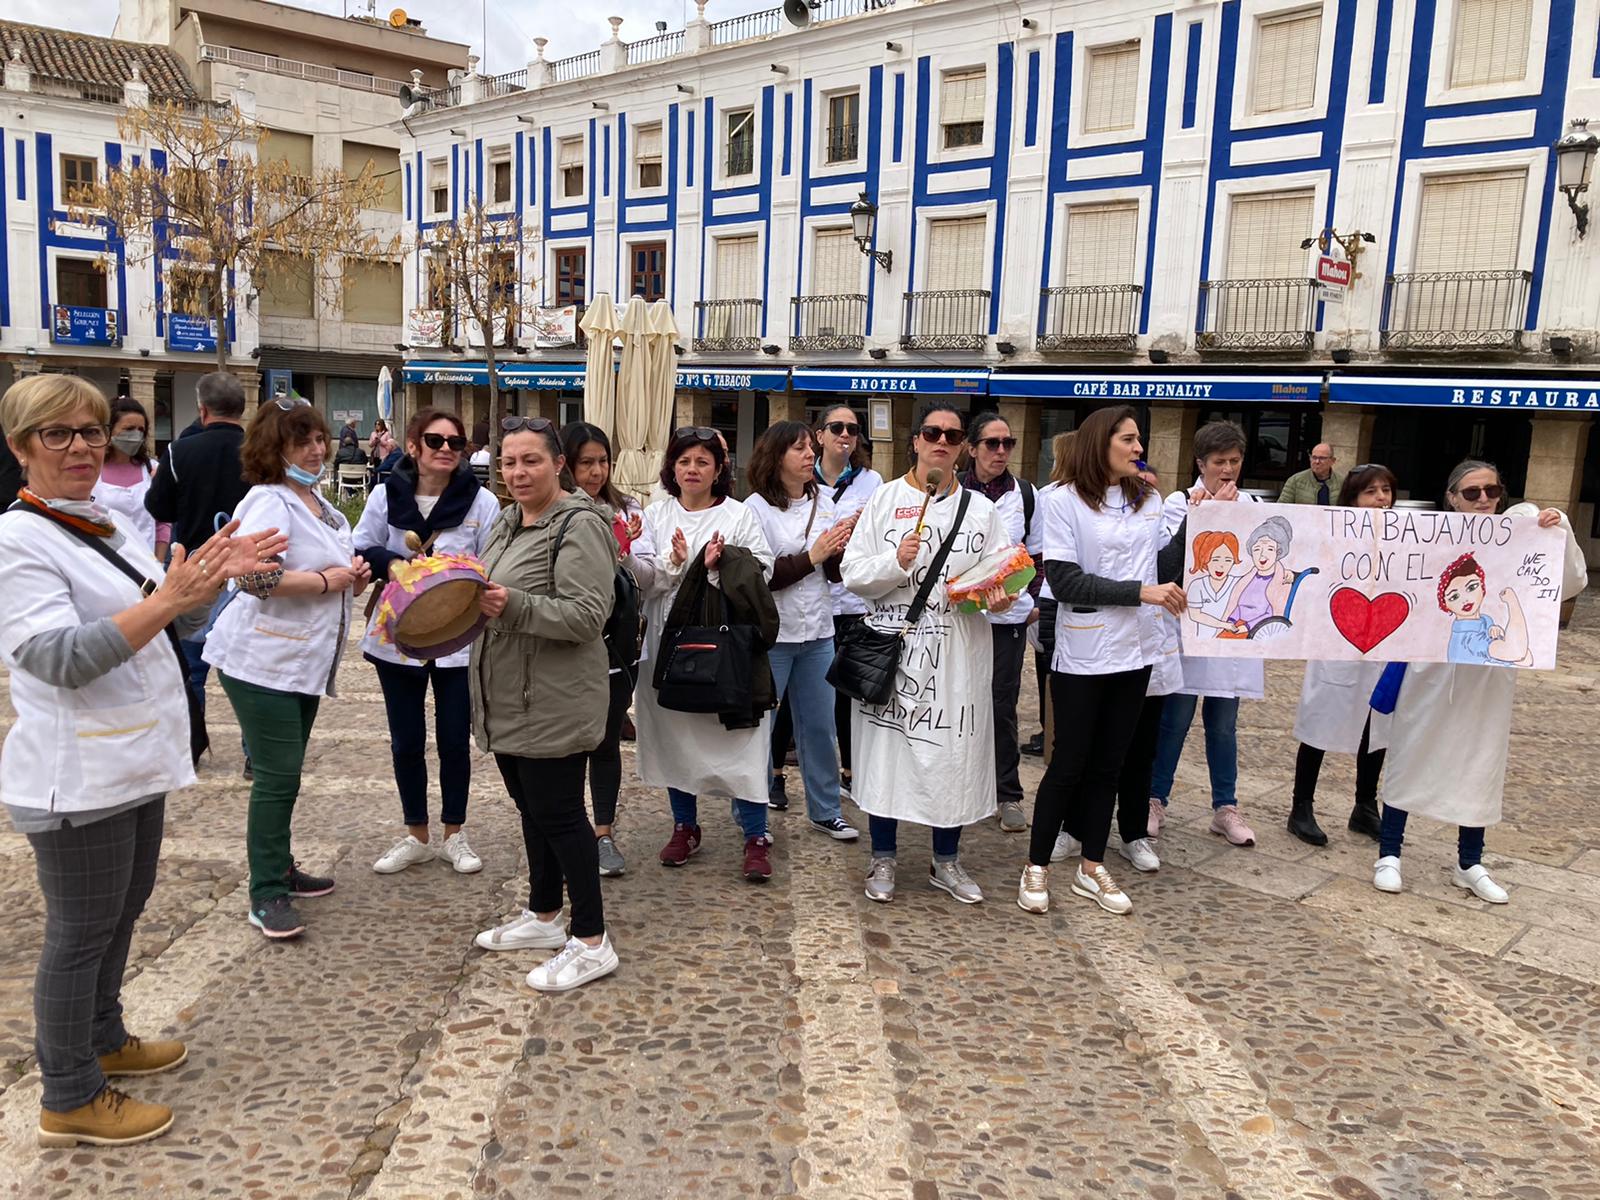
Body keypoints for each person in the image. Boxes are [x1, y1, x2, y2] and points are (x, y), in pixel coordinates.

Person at [0, 374, 280, 1148]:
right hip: (76, 773)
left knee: (122, 911)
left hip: (130, 761)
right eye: (58, 434)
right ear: (22, 447)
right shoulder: (18, 540)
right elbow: (57, 657)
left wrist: (209, 577)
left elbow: (171, 613)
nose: (84, 446)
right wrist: (168, 601)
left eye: (93, 432)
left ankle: (104, 1034)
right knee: (79, 931)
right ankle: (68, 1092)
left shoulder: (95, 524)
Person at [1375, 459, 1588, 903]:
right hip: (1429, 670)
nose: (1484, 499)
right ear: (1452, 497)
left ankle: (1469, 861)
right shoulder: (1428, 540)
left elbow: (1567, 583)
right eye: (1472, 493)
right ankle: (1389, 851)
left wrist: (1556, 530)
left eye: (1491, 490)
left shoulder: (1519, 537)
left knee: (1479, 760)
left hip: (1488, 677)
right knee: (1412, 749)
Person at [204, 399, 372, 939]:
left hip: (298, 661)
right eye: (302, 442)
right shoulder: (269, 502)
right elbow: (251, 579)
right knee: (277, 778)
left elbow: (323, 569)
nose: (318, 449)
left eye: (319, 438)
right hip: (261, 661)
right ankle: (266, 893)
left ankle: (280, 867)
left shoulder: (316, 502)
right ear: (273, 450)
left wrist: (353, 575)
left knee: (287, 773)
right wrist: (329, 581)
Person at [841, 400, 1012, 905]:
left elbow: (1002, 575)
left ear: (963, 448)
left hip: (956, 651)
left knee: (951, 755)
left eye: (953, 435)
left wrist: (1000, 594)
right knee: (887, 754)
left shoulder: (981, 510)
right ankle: (884, 855)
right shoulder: (884, 500)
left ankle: (946, 859)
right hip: (892, 649)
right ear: (915, 440)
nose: (942, 441)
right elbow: (853, 576)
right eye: (933, 433)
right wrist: (895, 561)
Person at [469, 416, 619, 991]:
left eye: (531, 460)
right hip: (507, 694)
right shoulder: (506, 522)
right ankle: (543, 915)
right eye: (508, 462)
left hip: (555, 699)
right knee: (532, 810)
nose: (517, 472)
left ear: (559, 463)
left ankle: (592, 938)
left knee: (560, 815)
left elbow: (587, 616)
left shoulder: (579, 525)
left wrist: (513, 606)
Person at [1018, 408, 1185, 916]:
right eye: (1129, 439)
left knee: (1110, 766)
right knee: (1069, 763)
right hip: (1085, 653)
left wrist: (1200, 521)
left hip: (1136, 651)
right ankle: (1037, 865)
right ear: (1101, 443)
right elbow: (1065, 582)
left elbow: (1166, 568)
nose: (1139, 448)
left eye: (1140, 440)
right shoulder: (1062, 501)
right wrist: (1143, 593)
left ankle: (1092, 866)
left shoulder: (1150, 499)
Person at [355, 408, 501, 877]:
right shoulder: (385, 495)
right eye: (435, 441)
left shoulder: (482, 503)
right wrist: (396, 563)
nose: (445, 450)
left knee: (455, 738)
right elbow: (360, 546)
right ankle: (416, 834)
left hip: (458, 634)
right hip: (398, 635)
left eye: (455, 443)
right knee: (406, 740)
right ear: (413, 445)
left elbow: (492, 560)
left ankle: (455, 833)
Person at [633, 427, 778, 881]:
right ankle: (684, 825)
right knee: (677, 734)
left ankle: (755, 833)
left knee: (741, 739)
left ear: (719, 470)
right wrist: (676, 565)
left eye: (702, 462)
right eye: (684, 462)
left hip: (728, 647)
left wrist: (720, 565)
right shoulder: (655, 515)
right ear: (672, 469)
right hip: (669, 645)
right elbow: (644, 580)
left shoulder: (738, 516)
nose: (692, 469)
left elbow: (763, 569)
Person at [1148, 421, 1263, 848]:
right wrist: (1204, 513)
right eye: (1219, 462)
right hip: (1187, 632)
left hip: (1230, 637)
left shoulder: (1251, 503)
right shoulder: (1179, 503)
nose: (1228, 470)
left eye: (1235, 461)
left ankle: (1225, 807)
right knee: (1174, 720)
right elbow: (1167, 566)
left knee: (1223, 724)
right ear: (1201, 464)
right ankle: (1155, 797)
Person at [744, 421, 859, 841]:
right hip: (773, 634)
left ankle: (826, 809)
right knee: (761, 728)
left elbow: (832, 574)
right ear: (776, 458)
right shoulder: (754, 508)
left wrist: (842, 545)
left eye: (810, 448)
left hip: (818, 633)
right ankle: (751, 811)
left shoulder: (826, 501)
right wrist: (815, 555)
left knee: (819, 725)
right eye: (799, 449)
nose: (810, 455)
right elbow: (763, 575)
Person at [561, 420, 654, 876]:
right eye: (586, 463)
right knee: (564, 745)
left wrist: (626, 553)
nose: (595, 472)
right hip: (567, 649)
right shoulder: (553, 510)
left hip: (617, 649)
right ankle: (566, 830)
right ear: (566, 465)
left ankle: (603, 834)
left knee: (605, 742)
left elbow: (651, 578)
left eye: (602, 462)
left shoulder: (628, 509)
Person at [1288, 463, 1398, 846]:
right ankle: (1301, 806)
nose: (1381, 498)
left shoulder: (1407, 539)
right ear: (1352, 499)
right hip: (1336, 641)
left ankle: (1364, 806)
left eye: (1386, 490)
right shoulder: (1330, 536)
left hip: (1382, 642)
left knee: (1375, 724)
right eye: (1371, 491)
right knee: (1321, 717)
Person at [144, 371, 252, 760]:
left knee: (191, 666)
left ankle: (192, 747)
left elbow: (157, 507)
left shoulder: (179, 451)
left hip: (195, 564)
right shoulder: (259, 453)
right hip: (247, 568)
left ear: (202, 409)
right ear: (242, 409)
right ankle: (255, 755)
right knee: (251, 663)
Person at [961, 411, 1042, 833]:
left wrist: (1031, 601)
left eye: (1007, 443)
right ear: (971, 448)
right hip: (959, 620)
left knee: (1001, 708)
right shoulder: (953, 494)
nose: (1000, 451)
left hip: (1007, 621)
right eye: (991, 443)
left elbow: (1039, 556)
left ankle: (1006, 792)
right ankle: (960, 785)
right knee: (957, 703)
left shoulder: (1026, 495)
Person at [809, 405, 883, 798]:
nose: (845, 434)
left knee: (851, 692)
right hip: (815, 603)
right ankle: (779, 773)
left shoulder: (872, 483)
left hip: (855, 604)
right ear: (819, 435)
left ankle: (852, 769)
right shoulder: (804, 480)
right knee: (807, 693)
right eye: (836, 427)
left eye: (852, 429)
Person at [1024, 431, 1076, 758]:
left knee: (1048, 664)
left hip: (1049, 594)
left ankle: (1051, 731)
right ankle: (1053, 731)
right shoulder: (1051, 494)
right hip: (1052, 594)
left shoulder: (1048, 495)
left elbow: (1039, 551)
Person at [98, 397, 170, 555]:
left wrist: (157, 562)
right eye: (129, 429)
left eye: (141, 430)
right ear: (109, 430)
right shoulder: (93, 472)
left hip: (146, 563)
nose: (136, 435)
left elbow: (162, 522)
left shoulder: (152, 470)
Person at [1279, 443, 1344, 506]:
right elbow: (1281, 508)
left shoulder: (1342, 483)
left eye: (1322, 458)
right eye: (1314, 457)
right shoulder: (1295, 481)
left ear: (1332, 461)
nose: (1317, 462)